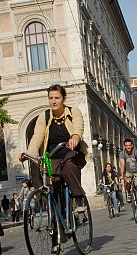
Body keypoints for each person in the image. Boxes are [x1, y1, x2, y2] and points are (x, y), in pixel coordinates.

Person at [20, 85, 88, 213]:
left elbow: (78, 128)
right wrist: (28, 154)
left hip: (72, 153)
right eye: (50, 98)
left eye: (57, 98)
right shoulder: (44, 116)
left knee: (68, 167)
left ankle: (78, 197)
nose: (53, 101)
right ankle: (56, 222)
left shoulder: (74, 111)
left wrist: (74, 138)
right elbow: (37, 137)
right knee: (53, 184)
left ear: (64, 99)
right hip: (53, 155)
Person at [119, 139, 137, 213]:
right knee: (128, 182)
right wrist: (122, 175)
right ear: (124, 146)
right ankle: (128, 193)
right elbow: (122, 165)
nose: (128, 147)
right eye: (126, 146)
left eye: (129, 145)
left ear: (132, 145)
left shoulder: (136, 152)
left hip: (136, 172)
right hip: (128, 172)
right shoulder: (122, 154)